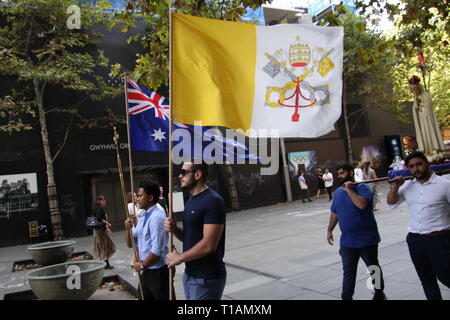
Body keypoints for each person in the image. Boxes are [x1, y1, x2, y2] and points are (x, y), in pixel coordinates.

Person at [387, 151, 450, 300]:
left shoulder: (444, 185)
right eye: (412, 166)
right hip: (415, 239)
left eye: (419, 164)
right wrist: (395, 186)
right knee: (426, 280)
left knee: (446, 276)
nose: (416, 169)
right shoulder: (408, 185)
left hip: (439, 238)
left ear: (427, 164)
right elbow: (391, 202)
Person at [164, 159, 227, 300]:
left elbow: (209, 245)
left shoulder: (213, 201)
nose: (179, 176)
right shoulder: (192, 200)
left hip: (206, 278)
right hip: (190, 275)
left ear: (197, 174)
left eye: (183, 172)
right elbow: (190, 236)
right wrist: (174, 229)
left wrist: (180, 258)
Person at [327, 163, 386, 300]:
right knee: (349, 272)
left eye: (342, 173)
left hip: (367, 240)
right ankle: (346, 297)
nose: (339, 177)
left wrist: (349, 190)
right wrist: (329, 230)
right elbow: (334, 212)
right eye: (338, 174)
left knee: (373, 268)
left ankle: (379, 293)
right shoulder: (338, 193)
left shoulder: (363, 188)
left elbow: (361, 204)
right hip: (348, 242)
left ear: (351, 173)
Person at [124, 180, 174, 300]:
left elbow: (157, 251)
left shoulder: (157, 216)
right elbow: (130, 243)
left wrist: (141, 264)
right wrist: (128, 229)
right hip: (147, 270)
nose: (137, 199)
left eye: (141, 196)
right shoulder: (144, 215)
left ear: (150, 197)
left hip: (158, 272)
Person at [92, 195, 116, 270]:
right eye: (103, 200)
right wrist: (107, 224)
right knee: (107, 246)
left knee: (101, 246)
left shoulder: (95, 208)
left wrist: (107, 228)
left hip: (97, 230)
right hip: (100, 231)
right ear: (99, 201)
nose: (104, 201)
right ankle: (105, 263)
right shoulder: (99, 208)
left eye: (104, 200)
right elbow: (99, 218)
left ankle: (102, 264)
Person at [127, 191, 142, 267]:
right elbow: (134, 215)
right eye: (135, 196)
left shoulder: (135, 205)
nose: (136, 198)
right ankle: (136, 261)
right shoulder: (131, 205)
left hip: (137, 226)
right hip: (135, 227)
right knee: (137, 246)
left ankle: (134, 261)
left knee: (137, 246)